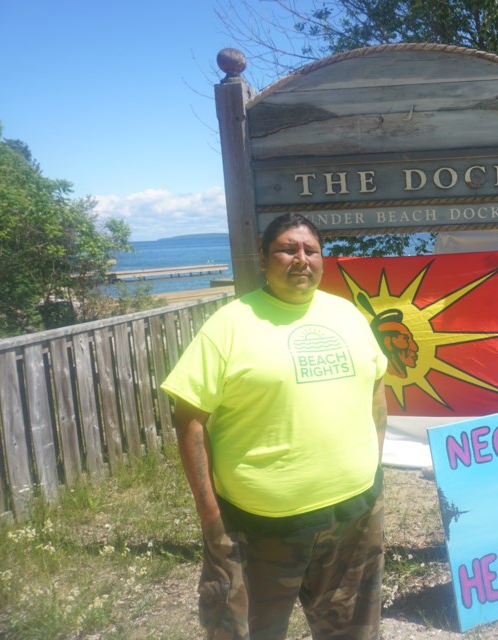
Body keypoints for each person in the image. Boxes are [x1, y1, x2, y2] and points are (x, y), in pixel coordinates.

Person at [161, 213, 388, 639]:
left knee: (353, 631)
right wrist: (211, 518)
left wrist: (372, 468)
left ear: (323, 260)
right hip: (257, 528)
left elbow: (377, 388)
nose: (301, 259)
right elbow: (189, 417)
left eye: (311, 250)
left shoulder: (349, 316)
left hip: (354, 516)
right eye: (287, 248)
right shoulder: (229, 325)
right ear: (264, 259)